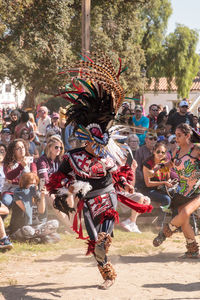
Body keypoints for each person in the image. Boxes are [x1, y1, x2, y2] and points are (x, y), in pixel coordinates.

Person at [46, 54, 149, 290]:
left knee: (103, 235)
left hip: (107, 195)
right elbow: (56, 180)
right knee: (94, 242)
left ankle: (106, 249)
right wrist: (65, 189)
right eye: (94, 142)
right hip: (88, 202)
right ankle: (108, 275)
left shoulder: (107, 154)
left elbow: (121, 172)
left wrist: (125, 183)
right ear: (86, 138)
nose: (98, 146)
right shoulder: (72, 156)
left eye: (101, 142)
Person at [153, 123, 200, 258]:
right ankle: (192, 250)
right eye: (176, 136)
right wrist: (160, 166)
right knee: (184, 220)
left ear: (188, 135)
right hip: (183, 191)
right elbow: (170, 164)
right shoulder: (177, 151)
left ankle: (164, 233)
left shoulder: (196, 150)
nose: (176, 139)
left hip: (198, 190)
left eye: (179, 136)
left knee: (185, 212)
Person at [9, 172, 60, 243]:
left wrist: (42, 196)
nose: (34, 186)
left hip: (37, 226)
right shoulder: (18, 194)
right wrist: (31, 194)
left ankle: (36, 238)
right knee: (28, 230)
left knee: (55, 223)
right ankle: (42, 237)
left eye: (35, 184)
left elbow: (41, 211)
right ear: (24, 184)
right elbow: (26, 209)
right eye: (31, 184)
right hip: (23, 226)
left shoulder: (37, 194)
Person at [36, 136, 72, 232]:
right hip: (45, 189)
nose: (59, 150)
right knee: (54, 199)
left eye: (60, 148)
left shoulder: (59, 160)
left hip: (57, 187)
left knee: (70, 195)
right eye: (56, 147)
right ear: (49, 147)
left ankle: (68, 224)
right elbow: (45, 179)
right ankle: (71, 227)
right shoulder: (42, 160)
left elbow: (65, 176)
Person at [142, 141, 172, 228]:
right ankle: (159, 225)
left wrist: (170, 182)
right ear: (154, 151)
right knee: (167, 199)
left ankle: (176, 224)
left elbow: (168, 178)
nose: (160, 154)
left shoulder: (165, 163)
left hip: (161, 189)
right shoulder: (148, 164)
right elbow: (148, 184)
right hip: (148, 190)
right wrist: (163, 183)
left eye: (163, 152)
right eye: (158, 151)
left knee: (178, 195)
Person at [1, 139, 37, 208]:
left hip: (25, 190)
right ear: (13, 151)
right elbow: (9, 176)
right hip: (10, 190)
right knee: (6, 201)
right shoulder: (8, 162)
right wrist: (21, 166)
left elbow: (34, 176)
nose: (22, 149)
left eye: (23, 147)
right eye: (18, 148)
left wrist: (17, 181)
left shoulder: (31, 161)